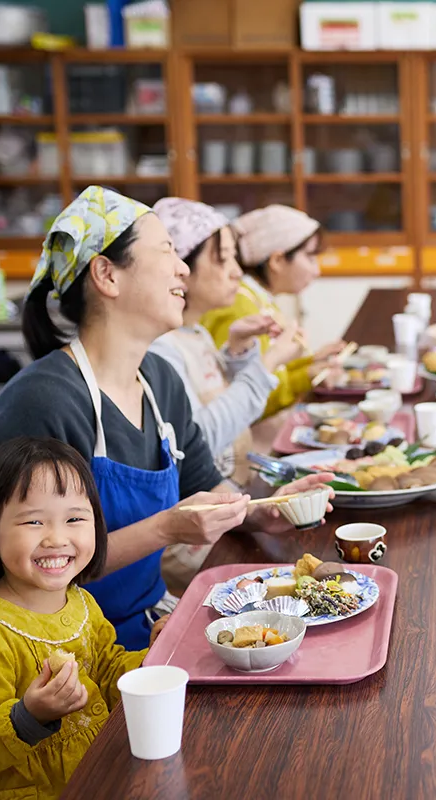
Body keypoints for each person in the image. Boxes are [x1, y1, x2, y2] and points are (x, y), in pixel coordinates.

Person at [0, 186, 333, 650]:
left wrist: (262, 512)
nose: (183, 268)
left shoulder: (159, 379)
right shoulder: (43, 401)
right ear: (107, 275)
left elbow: (203, 484)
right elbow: (16, 564)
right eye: (166, 250)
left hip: (150, 623)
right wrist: (166, 527)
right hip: (62, 654)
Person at [0, 437, 164, 799]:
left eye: (74, 519)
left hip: (105, 774)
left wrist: (155, 658)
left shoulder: (80, 601)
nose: (56, 538)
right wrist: (29, 716)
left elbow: (109, 670)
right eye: (33, 521)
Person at [149, 197, 306, 596]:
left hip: (230, 506)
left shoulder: (196, 333)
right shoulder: (161, 351)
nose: (237, 272)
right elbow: (198, 440)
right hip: (195, 540)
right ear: (180, 266)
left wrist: (237, 351)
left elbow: (225, 406)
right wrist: (267, 365)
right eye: (223, 259)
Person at [200, 204, 344, 418]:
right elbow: (246, 396)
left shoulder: (257, 297)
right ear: (276, 260)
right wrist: (306, 376)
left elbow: (273, 371)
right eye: (310, 257)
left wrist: (312, 362)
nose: (316, 270)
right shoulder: (239, 305)